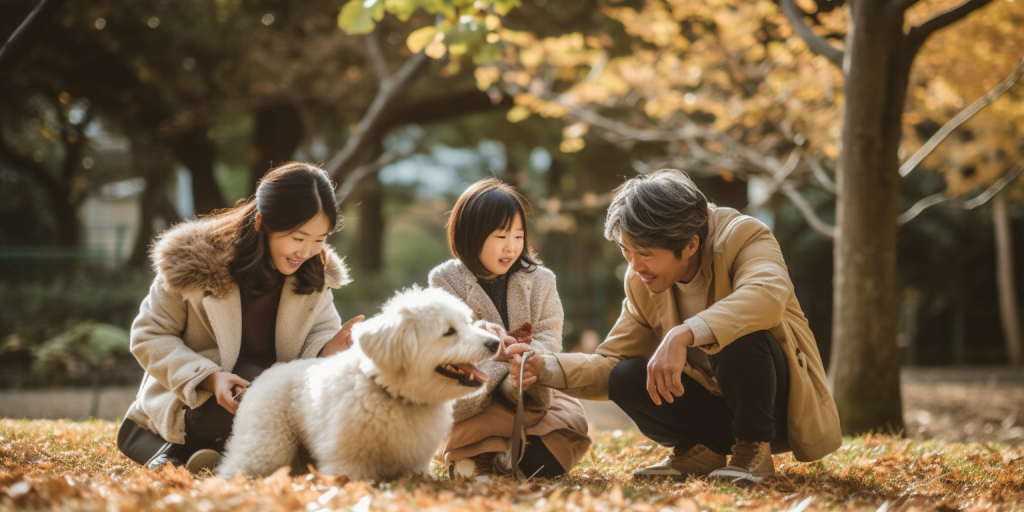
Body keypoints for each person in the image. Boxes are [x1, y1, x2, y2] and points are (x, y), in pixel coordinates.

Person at [509, 169, 841, 482]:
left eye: (645, 253)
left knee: (740, 334)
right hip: (715, 412)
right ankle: (699, 450)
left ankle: (753, 450)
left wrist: (685, 332)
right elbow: (611, 362)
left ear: (691, 244)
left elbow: (766, 296)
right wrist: (545, 367)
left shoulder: (744, 236)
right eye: (626, 250)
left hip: (775, 408)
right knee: (624, 376)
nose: (635, 265)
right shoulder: (641, 280)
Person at [118, 162, 363, 473]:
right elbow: (149, 335)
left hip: (270, 403)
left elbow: (318, 334)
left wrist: (328, 350)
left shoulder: (315, 274)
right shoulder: (193, 263)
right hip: (201, 404)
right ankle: (179, 449)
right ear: (262, 222)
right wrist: (209, 378)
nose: (306, 252)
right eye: (298, 238)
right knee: (250, 388)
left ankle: (202, 456)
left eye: (319, 239)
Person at [428, 178, 592, 479]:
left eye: (518, 236)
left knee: (548, 457)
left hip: (529, 392)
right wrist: (495, 355)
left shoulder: (542, 280)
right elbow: (449, 346)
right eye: (501, 236)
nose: (511, 246)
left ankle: (495, 457)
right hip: (475, 393)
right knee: (473, 420)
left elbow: (548, 336)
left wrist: (524, 364)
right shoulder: (445, 280)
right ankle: (482, 457)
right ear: (471, 235)